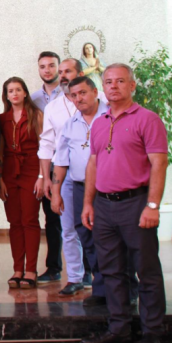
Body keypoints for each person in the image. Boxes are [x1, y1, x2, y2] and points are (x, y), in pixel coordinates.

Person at [81, 64, 169, 343]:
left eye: (120, 81)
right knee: (111, 271)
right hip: (104, 206)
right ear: (102, 88)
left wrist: (152, 206)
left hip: (136, 204)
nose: (113, 86)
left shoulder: (148, 119)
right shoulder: (100, 122)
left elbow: (159, 163)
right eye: (108, 82)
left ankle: (153, 332)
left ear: (132, 86)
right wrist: (88, 203)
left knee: (146, 270)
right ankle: (118, 329)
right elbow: (93, 163)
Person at [53, 76, 110, 304]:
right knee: (86, 237)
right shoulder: (70, 124)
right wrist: (56, 193)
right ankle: (101, 288)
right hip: (79, 187)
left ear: (95, 92)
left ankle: (123, 290)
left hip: (107, 188)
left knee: (109, 239)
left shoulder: (110, 116)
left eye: (83, 93)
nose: (78, 99)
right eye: (74, 95)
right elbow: (60, 160)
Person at [38, 59, 90, 290]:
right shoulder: (53, 107)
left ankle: (96, 273)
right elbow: (48, 144)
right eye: (61, 73)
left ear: (80, 73)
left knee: (97, 227)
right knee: (68, 228)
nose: (63, 76)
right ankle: (76, 277)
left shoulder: (102, 104)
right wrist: (46, 178)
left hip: (98, 175)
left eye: (67, 71)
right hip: (65, 174)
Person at [0, 77, 43, 289]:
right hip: (9, 172)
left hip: (32, 170)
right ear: (6, 95)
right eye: (10, 91)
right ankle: (17, 269)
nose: (14, 94)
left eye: (18, 90)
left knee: (30, 221)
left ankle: (31, 270)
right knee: (14, 222)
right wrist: (0, 179)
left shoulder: (36, 115)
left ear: (25, 93)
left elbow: (46, 149)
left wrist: (42, 177)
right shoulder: (1, 118)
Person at [31, 51, 64, 284]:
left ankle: (88, 269)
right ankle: (54, 267)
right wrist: (43, 174)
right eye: (43, 66)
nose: (47, 70)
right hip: (46, 164)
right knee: (51, 219)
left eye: (52, 65)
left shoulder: (71, 95)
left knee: (77, 218)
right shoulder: (33, 99)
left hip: (71, 164)